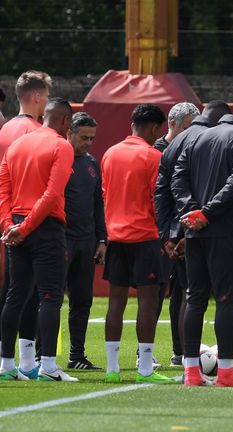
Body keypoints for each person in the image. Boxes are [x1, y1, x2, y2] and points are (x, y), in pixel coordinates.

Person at [172, 108, 233, 387]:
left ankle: (191, 372)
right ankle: (225, 371)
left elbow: (178, 178)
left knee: (194, 298)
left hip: (194, 230)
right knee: (226, 300)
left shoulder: (195, 138)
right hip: (223, 230)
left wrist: (192, 212)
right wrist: (207, 213)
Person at [0, 98, 76, 382]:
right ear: (66, 121)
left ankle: (7, 364)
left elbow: (3, 189)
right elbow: (52, 194)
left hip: (17, 226)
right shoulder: (62, 146)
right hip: (44, 228)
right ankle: (48, 366)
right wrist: (27, 227)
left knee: (15, 296)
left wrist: (10, 226)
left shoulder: (17, 145)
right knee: (50, 297)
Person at [101, 104, 174, 384]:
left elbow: (105, 194)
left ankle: (112, 368)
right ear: (156, 128)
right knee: (148, 301)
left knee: (115, 303)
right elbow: (159, 201)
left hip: (117, 238)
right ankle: (145, 368)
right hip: (145, 238)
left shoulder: (109, 154)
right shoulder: (154, 156)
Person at [155, 100, 228, 368]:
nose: (193, 132)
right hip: (178, 231)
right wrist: (169, 235)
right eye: (187, 126)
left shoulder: (187, 146)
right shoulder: (166, 150)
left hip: (185, 230)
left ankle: (182, 352)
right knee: (179, 293)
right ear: (172, 125)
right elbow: (163, 194)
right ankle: (178, 354)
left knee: (184, 292)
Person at [0, 71, 53, 375]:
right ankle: (29, 361)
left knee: (12, 292)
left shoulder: (5, 129)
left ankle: (9, 360)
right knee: (32, 293)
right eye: (45, 96)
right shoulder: (36, 132)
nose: (46, 102)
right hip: (29, 220)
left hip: (7, 218)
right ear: (36, 97)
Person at [64, 112, 106, 370]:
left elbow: (97, 205)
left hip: (87, 241)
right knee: (50, 298)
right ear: (69, 132)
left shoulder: (92, 163)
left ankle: (76, 356)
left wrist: (102, 238)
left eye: (92, 138)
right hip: (62, 240)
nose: (88, 142)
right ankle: (39, 356)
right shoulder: (58, 159)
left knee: (82, 300)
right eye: (83, 137)